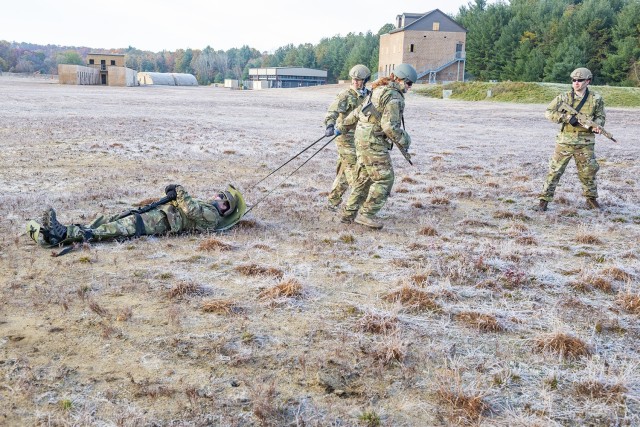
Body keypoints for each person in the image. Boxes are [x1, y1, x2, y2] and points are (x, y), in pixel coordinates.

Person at [27, 184, 246, 247]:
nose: (216, 196)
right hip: (156, 213)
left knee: (117, 228)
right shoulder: (208, 207)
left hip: (159, 222)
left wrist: (179, 190)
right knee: (111, 219)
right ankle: (65, 228)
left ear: (225, 208)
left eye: (222, 198)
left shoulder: (211, 216)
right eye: (219, 193)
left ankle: (64, 234)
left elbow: (189, 209)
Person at [336, 63, 417, 229]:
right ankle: (366, 214)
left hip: (361, 139)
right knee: (385, 178)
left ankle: (348, 214)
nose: (409, 87)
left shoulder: (379, 89)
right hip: (374, 142)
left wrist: (343, 126)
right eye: (409, 83)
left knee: (364, 179)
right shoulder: (394, 97)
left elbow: (360, 110)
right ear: (401, 80)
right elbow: (389, 127)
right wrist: (405, 140)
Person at [537, 67, 606, 211]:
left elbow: (600, 116)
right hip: (565, 141)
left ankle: (591, 199)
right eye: (574, 80)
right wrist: (567, 118)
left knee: (589, 172)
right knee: (554, 171)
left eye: (580, 80)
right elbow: (548, 113)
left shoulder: (596, 99)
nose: (576, 83)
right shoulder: (564, 97)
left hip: (585, 142)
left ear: (588, 81)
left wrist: (598, 125)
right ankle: (544, 200)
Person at [323, 64, 371, 210]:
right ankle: (361, 207)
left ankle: (332, 201)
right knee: (353, 170)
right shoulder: (345, 94)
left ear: (365, 80)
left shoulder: (369, 95)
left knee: (344, 171)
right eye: (354, 79)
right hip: (344, 138)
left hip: (361, 138)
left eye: (359, 80)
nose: (356, 82)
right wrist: (330, 125)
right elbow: (332, 110)